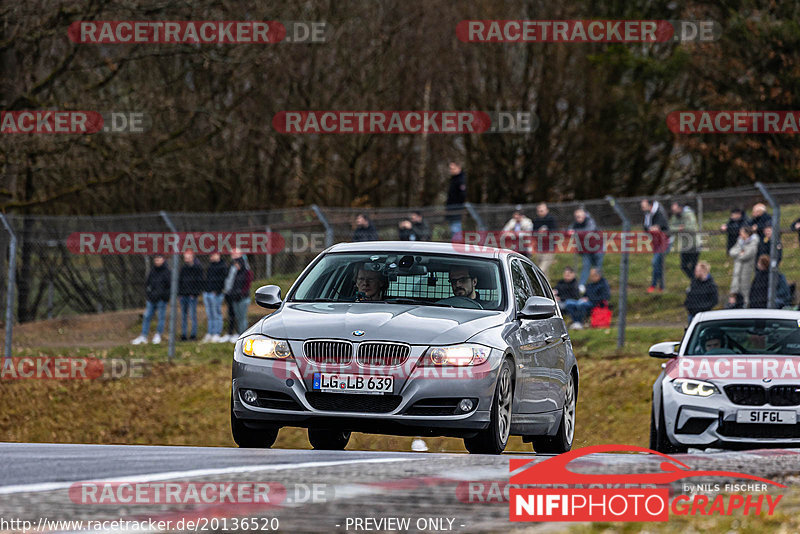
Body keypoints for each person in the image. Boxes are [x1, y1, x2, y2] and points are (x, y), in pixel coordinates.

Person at [131, 254, 170, 345]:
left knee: (161, 317)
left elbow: (169, 287)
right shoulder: (152, 271)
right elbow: (147, 284)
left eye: (159, 259)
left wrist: (164, 297)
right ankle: (143, 336)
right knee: (147, 316)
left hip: (161, 300)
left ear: (163, 260)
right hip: (151, 299)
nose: (157, 261)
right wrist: (149, 296)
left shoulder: (167, 272)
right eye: (156, 259)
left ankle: (158, 335)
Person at [568, 208, 603, 288]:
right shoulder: (575, 223)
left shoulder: (590, 221)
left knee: (597, 268)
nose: (577, 219)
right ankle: (582, 285)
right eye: (576, 217)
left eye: (579, 217)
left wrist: (575, 232)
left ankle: (597, 285)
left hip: (597, 248)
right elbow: (569, 230)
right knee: (586, 266)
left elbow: (588, 231)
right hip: (586, 249)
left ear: (584, 215)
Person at [640, 198, 669, 293]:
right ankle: (660, 286)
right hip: (656, 242)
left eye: (644, 207)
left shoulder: (659, 212)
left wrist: (656, 227)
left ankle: (655, 285)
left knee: (655, 262)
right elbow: (646, 228)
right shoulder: (647, 214)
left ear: (650, 205)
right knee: (658, 264)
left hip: (665, 241)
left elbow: (661, 225)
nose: (643, 209)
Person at [224, 249, 253, 342]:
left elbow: (247, 284)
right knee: (236, 316)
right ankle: (237, 333)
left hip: (242, 297)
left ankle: (243, 335)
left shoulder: (246, 271)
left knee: (242, 317)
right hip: (234, 297)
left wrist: (241, 293)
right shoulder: (234, 270)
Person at [729, 226, 758, 307]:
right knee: (735, 287)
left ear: (747, 234)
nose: (740, 234)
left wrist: (738, 255)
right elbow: (731, 252)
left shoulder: (753, 242)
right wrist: (740, 253)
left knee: (745, 289)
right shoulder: (740, 241)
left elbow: (747, 255)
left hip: (747, 269)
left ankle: (746, 305)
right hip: (737, 269)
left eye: (741, 232)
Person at [669, 202, 699, 280]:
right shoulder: (675, 216)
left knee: (693, 266)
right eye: (673, 210)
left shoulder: (688, 214)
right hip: (684, 245)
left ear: (680, 208)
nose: (674, 212)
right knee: (683, 266)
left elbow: (691, 228)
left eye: (675, 210)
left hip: (694, 244)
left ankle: (697, 282)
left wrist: (681, 228)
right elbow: (670, 228)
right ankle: (695, 281)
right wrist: (679, 228)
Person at [178, 250, 203, 341]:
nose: (187, 259)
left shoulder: (198, 268)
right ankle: (184, 335)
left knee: (192, 316)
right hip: (183, 295)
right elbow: (179, 281)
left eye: (188, 257)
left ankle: (193, 335)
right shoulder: (183, 268)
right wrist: (180, 294)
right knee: (184, 316)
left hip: (192, 296)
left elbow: (199, 282)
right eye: (185, 257)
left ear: (192, 257)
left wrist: (195, 293)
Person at [202, 252, 227, 343]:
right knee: (210, 314)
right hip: (207, 292)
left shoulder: (223, 267)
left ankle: (217, 333)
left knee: (216, 313)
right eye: (211, 255)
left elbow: (223, 281)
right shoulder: (210, 266)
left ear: (218, 255)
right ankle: (210, 332)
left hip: (216, 294)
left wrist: (217, 291)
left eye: (214, 255)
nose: (212, 257)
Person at [531, 202, 558, 277]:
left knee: (540, 270)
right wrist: (538, 232)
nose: (540, 212)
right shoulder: (536, 221)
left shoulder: (551, 220)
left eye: (542, 210)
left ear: (547, 210)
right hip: (539, 248)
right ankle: (546, 288)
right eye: (539, 211)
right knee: (544, 273)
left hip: (549, 248)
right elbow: (533, 233)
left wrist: (546, 232)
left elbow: (555, 233)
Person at [445, 161, 467, 237]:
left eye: (453, 168)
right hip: (451, 208)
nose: (451, 170)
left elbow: (462, 195)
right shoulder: (453, 179)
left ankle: (456, 245)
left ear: (458, 168)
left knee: (455, 229)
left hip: (456, 208)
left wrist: (458, 205)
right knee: (453, 229)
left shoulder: (461, 180)